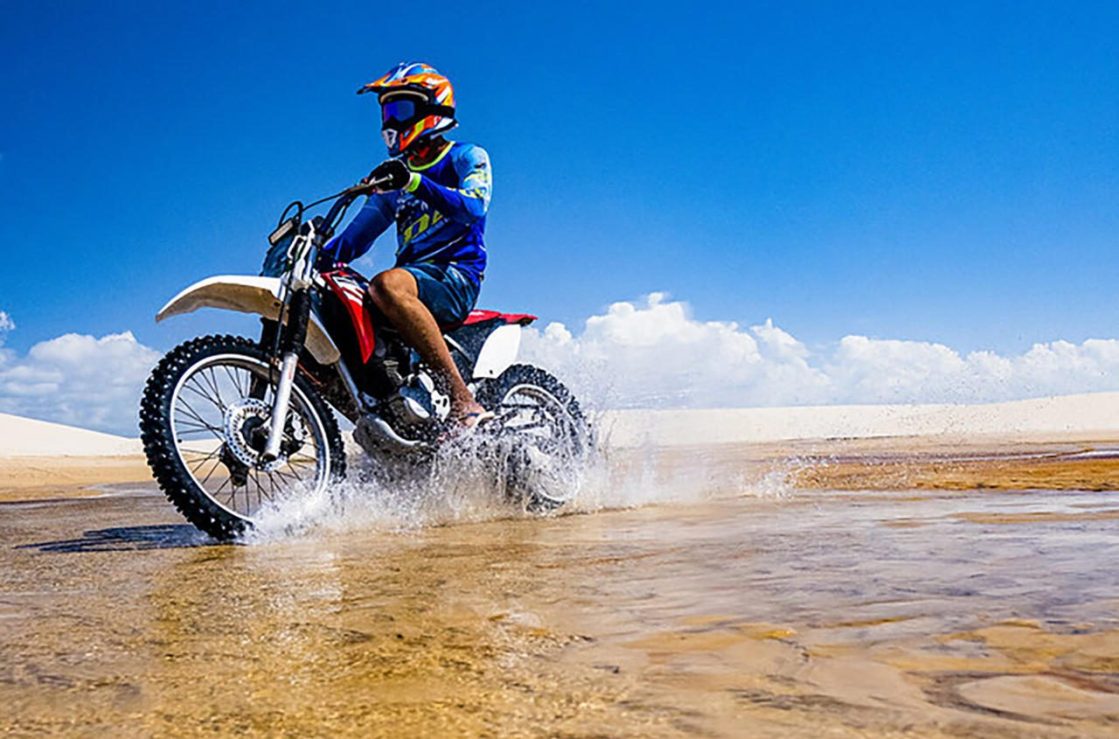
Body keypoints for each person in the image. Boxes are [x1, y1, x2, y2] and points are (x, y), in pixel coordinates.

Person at [320, 62, 492, 428]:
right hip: (415, 281)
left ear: (433, 107)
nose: (391, 123)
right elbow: (357, 238)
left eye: (400, 110)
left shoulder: (465, 156)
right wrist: (318, 252)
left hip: (455, 276)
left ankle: (463, 400)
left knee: (386, 284)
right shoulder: (395, 178)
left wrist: (414, 182)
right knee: (334, 298)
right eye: (386, 113)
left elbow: (473, 208)